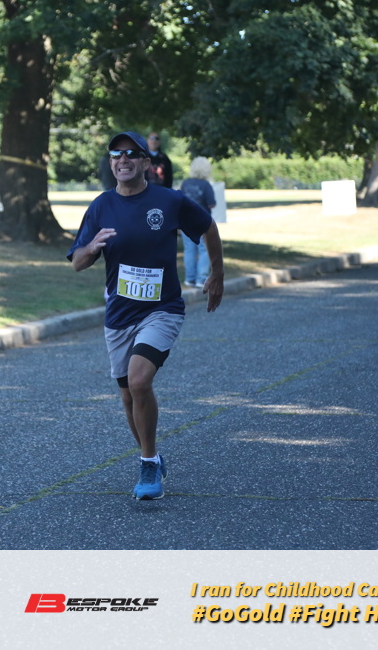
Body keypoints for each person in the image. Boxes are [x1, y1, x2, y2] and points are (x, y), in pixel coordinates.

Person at [68, 131, 224, 501]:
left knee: (139, 382)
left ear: (145, 163)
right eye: (116, 154)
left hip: (162, 309)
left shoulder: (169, 200)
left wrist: (217, 273)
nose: (123, 160)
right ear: (111, 163)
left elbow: (207, 226)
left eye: (131, 154)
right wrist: (91, 247)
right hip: (120, 315)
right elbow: (77, 262)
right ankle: (151, 455)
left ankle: (148, 462)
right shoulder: (101, 206)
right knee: (128, 397)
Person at [179, 157, 217, 288]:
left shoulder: (185, 183)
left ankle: (190, 278)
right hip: (202, 222)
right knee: (204, 249)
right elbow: (212, 204)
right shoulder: (206, 185)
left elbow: (180, 202)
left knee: (189, 249)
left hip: (185, 221)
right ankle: (201, 278)